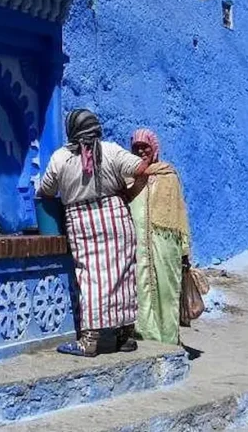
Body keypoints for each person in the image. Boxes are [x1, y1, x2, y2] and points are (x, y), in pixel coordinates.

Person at [36, 109, 151, 356]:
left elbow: (46, 191)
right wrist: (129, 194)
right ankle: (125, 337)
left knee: (91, 278)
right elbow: (142, 169)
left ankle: (90, 340)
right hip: (116, 217)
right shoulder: (111, 150)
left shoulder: (60, 158)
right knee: (123, 273)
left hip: (82, 222)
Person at [126, 128, 192, 346]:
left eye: (145, 147)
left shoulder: (168, 175)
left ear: (154, 148)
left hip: (165, 248)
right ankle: (147, 337)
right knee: (140, 291)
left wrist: (184, 249)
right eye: (136, 148)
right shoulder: (128, 177)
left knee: (166, 292)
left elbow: (179, 213)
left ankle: (169, 339)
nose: (141, 151)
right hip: (139, 247)